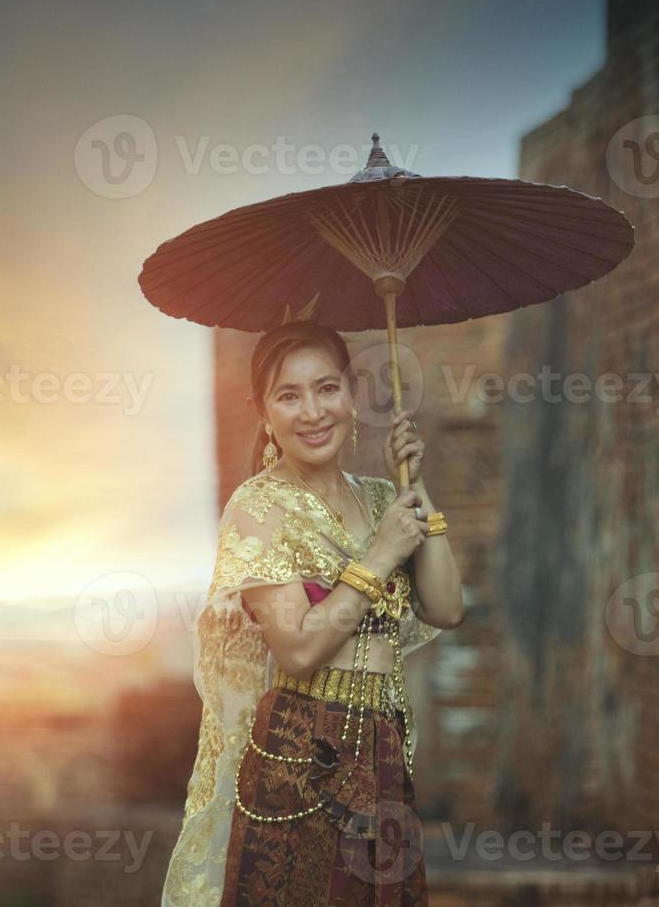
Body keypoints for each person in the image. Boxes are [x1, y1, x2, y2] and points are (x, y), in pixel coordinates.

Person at [161, 320, 465, 906]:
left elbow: (448, 608)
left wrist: (416, 485)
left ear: (352, 394)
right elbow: (297, 649)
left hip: (383, 750)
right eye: (288, 395)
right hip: (303, 754)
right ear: (263, 413)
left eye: (327, 388)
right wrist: (380, 555)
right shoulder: (259, 509)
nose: (313, 411)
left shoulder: (381, 497)